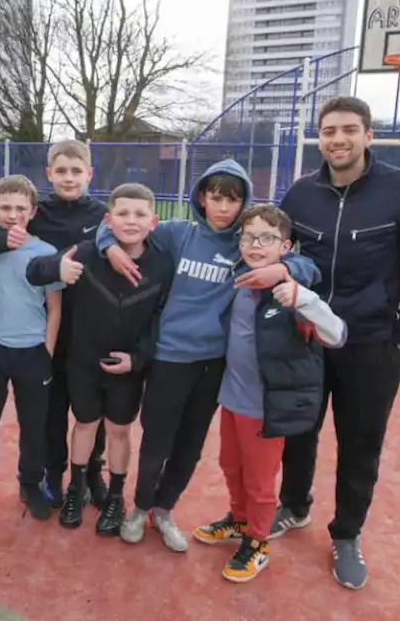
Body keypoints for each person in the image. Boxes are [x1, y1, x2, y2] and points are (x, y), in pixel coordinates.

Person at [96, 158, 320, 552]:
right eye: (216, 198)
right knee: (157, 441)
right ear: (202, 197)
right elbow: (112, 225)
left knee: (190, 444)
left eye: (232, 200)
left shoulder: (243, 244)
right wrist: (109, 247)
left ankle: (163, 510)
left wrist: (285, 270)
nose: (223, 208)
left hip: (214, 362)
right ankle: (140, 507)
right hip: (170, 357)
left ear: (243, 202)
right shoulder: (177, 234)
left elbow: (304, 262)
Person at [269, 95, 400, 590]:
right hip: (306, 336)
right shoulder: (300, 194)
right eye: (328, 131)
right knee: (298, 428)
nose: (338, 139)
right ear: (319, 138)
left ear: (369, 135)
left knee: (360, 442)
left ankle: (346, 533)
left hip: (372, 341)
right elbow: (278, 252)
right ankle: (294, 505)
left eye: (348, 129)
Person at [191, 204, 347, 583]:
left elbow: (337, 334)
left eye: (267, 238)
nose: (255, 245)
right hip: (232, 399)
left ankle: (258, 542)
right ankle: (239, 521)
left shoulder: (292, 292)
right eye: (247, 237)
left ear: (286, 247)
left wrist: (303, 298)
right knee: (231, 467)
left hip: (266, 408)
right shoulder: (239, 280)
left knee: (260, 481)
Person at [24, 182, 172, 535]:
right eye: (122, 213)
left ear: (153, 221)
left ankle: (117, 497)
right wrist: (57, 269)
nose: (131, 221)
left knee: (119, 430)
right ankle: (77, 489)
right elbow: (34, 270)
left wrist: (137, 360)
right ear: (109, 220)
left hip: (127, 369)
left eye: (139, 214)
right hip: (83, 363)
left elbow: (161, 320)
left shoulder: (163, 265)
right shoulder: (88, 253)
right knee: (85, 424)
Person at [0, 139, 111, 509]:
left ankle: (92, 474)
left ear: (89, 174)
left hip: (88, 328)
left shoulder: (102, 215)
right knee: (47, 414)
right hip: (40, 332)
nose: (68, 178)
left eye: (76, 171)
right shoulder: (37, 212)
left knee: (88, 409)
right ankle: (50, 476)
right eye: (60, 171)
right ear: (49, 173)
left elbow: (128, 238)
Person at [0, 175, 64, 527]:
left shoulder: (45, 253)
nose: (13, 214)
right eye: (5, 207)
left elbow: (54, 307)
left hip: (33, 353)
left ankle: (30, 484)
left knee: (33, 425)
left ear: (33, 212)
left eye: (21, 208)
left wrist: (47, 349)